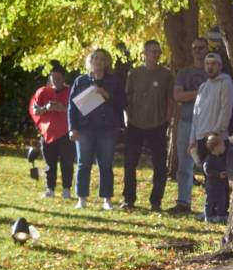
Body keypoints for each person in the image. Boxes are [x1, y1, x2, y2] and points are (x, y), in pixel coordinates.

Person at [68, 48, 126, 210]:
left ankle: (107, 199)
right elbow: (71, 107)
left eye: (101, 59)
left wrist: (107, 95)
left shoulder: (114, 82)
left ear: (106, 62)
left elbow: (123, 103)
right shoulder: (81, 81)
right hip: (84, 129)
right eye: (95, 58)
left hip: (107, 130)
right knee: (83, 163)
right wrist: (72, 128)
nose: (98, 62)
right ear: (90, 61)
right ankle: (81, 198)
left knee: (106, 164)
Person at [122, 40, 175, 212]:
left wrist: (167, 120)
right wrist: (128, 118)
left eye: (158, 52)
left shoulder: (166, 75)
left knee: (160, 165)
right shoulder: (134, 73)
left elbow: (170, 100)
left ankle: (156, 201)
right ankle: (129, 199)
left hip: (158, 125)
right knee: (130, 163)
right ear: (144, 53)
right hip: (135, 124)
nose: (156, 55)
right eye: (152, 51)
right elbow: (127, 99)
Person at [189, 52, 233, 221]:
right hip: (201, 137)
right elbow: (196, 115)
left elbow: (226, 109)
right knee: (208, 178)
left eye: (214, 63)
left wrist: (216, 132)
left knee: (220, 177)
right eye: (207, 63)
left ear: (220, 66)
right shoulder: (203, 87)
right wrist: (192, 138)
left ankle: (221, 212)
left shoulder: (226, 83)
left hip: (216, 138)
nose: (210, 66)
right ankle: (210, 210)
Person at [170, 37, 211, 214]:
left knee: (210, 166)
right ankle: (183, 202)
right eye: (194, 48)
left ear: (207, 49)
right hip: (186, 122)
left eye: (201, 48)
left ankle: (212, 205)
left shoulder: (214, 71)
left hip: (209, 124)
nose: (198, 51)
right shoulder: (184, 73)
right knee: (184, 165)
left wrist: (191, 94)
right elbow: (178, 97)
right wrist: (201, 92)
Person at [28, 61, 74, 199]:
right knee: (50, 163)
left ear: (64, 79)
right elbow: (35, 110)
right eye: (53, 78)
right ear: (50, 78)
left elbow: (78, 110)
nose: (56, 81)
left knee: (67, 162)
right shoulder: (42, 92)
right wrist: (46, 108)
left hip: (66, 132)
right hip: (47, 133)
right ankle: (50, 189)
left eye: (59, 78)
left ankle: (66, 189)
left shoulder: (70, 91)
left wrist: (63, 109)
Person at [201, 133, 230, 223]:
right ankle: (208, 216)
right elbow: (207, 170)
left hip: (221, 185)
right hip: (212, 185)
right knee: (210, 201)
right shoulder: (209, 159)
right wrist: (218, 174)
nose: (224, 147)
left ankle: (221, 215)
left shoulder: (220, 159)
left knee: (222, 200)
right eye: (222, 145)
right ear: (216, 147)